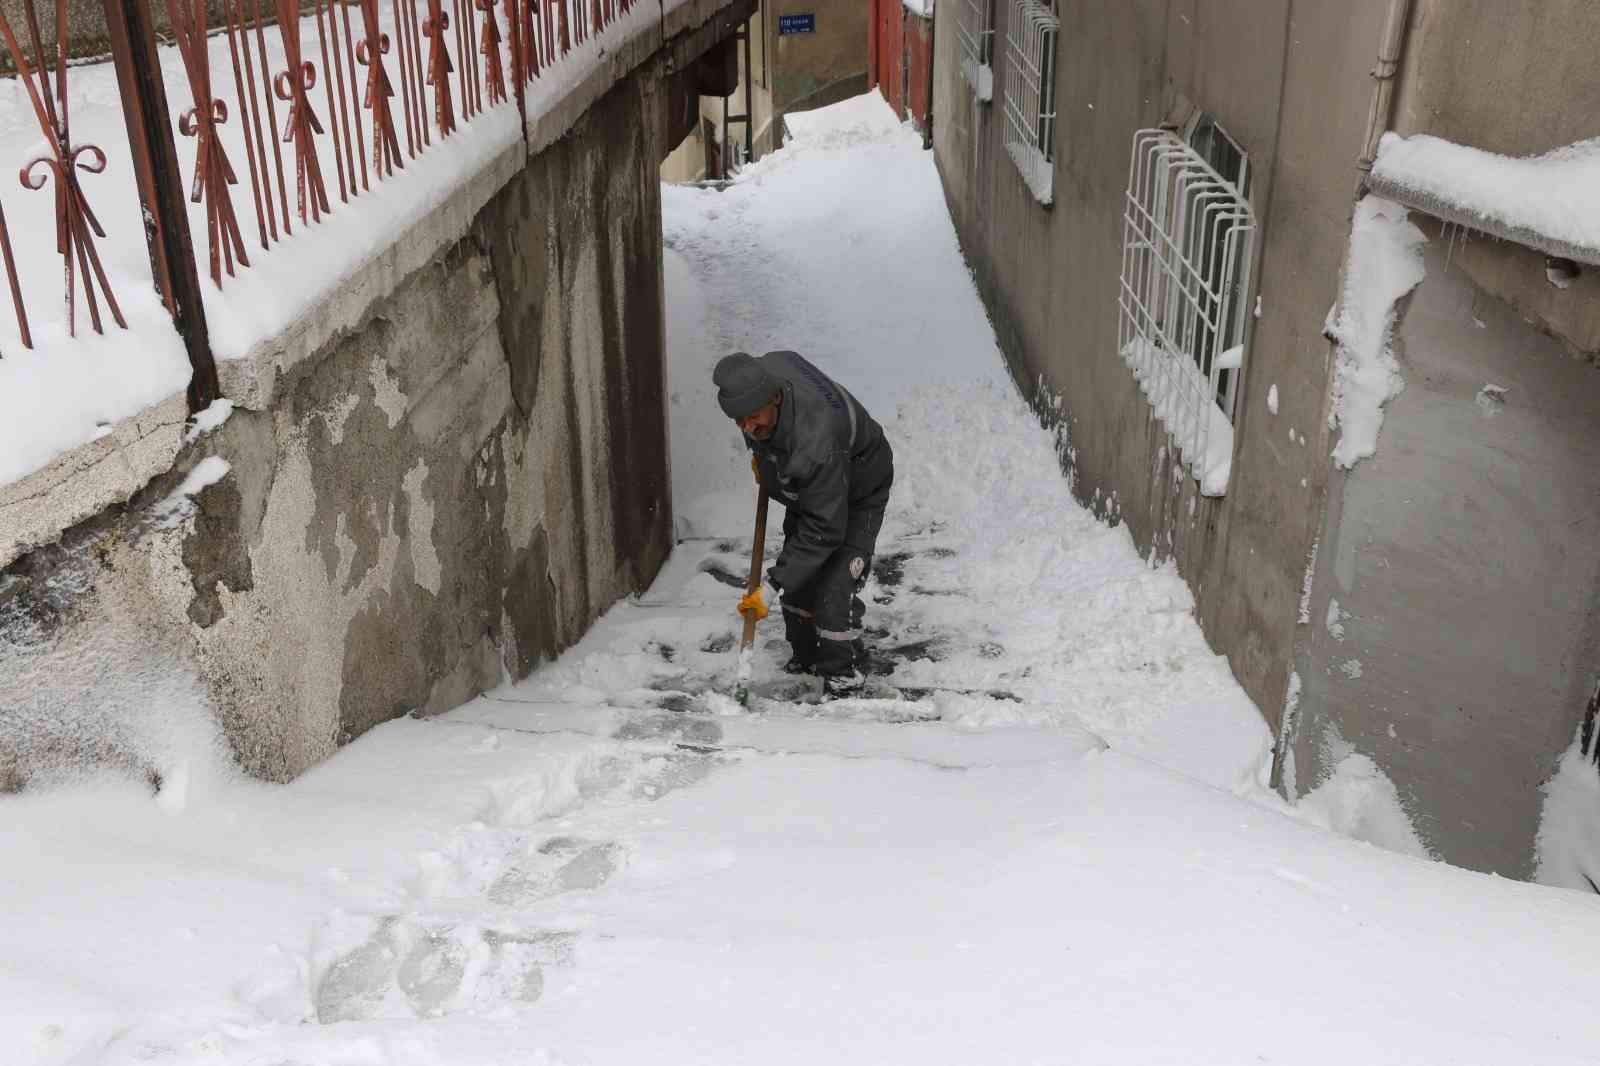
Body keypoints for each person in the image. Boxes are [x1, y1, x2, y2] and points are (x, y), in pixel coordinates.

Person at [713, 350, 894, 698]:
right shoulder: (762, 377)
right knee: (800, 584)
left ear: (776, 398)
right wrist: (767, 466)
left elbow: (824, 530)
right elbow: (767, 419)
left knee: (834, 589)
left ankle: (843, 677)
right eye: (739, 421)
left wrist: (771, 584)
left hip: (858, 486)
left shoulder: (815, 444)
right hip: (813, 483)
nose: (747, 427)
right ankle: (807, 657)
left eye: (753, 418)